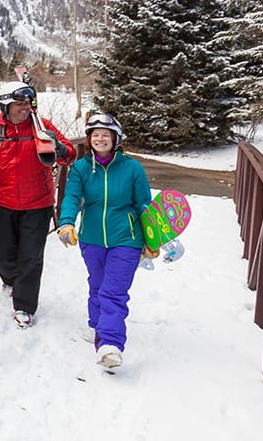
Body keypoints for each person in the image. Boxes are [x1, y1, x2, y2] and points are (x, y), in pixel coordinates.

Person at [0, 81, 77, 329]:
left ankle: (24, 306)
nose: (25, 108)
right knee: (5, 255)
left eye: (27, 103)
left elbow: (70, 155)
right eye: (19, 104)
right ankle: (9, 279)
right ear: (6, 106)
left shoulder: (43, 127)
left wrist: (58, 147)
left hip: (38, 205)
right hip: (5, 203)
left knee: (30, 258)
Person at [55, 111, 153, 369]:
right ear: (90, 139)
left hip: (127, 238)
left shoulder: (132, 168)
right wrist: (66, 222)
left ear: (116, 139)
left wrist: (153, 238)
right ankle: (96, 324)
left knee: (113, 291)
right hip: (92, 238)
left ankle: (110, 344)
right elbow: (72, 197)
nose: (100, 139)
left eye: (106, 135)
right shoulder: (81, 168)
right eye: (95, 135)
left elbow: (145, 204)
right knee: (97, 284)